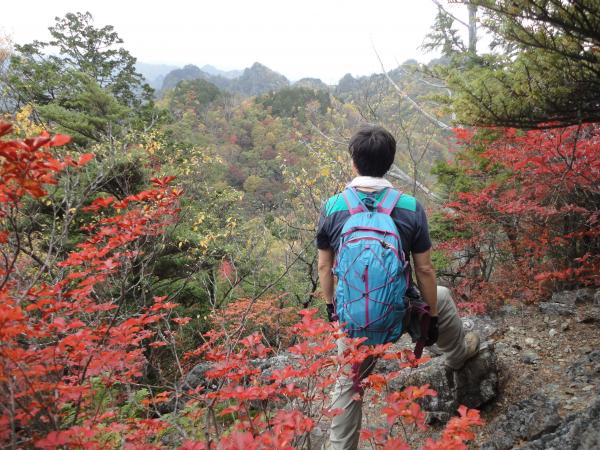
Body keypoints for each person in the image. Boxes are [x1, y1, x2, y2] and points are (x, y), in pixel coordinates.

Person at [316, 125, 480, 450]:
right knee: (442, 297)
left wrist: (333, 310)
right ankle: (457, 356)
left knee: (348, 385)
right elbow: (424, 269)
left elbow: (324, 266)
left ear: (353, 161)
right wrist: (431, 317)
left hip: (354, 322)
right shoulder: (409, 206)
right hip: (400, 312)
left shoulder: (333, 207)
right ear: (390, 163)